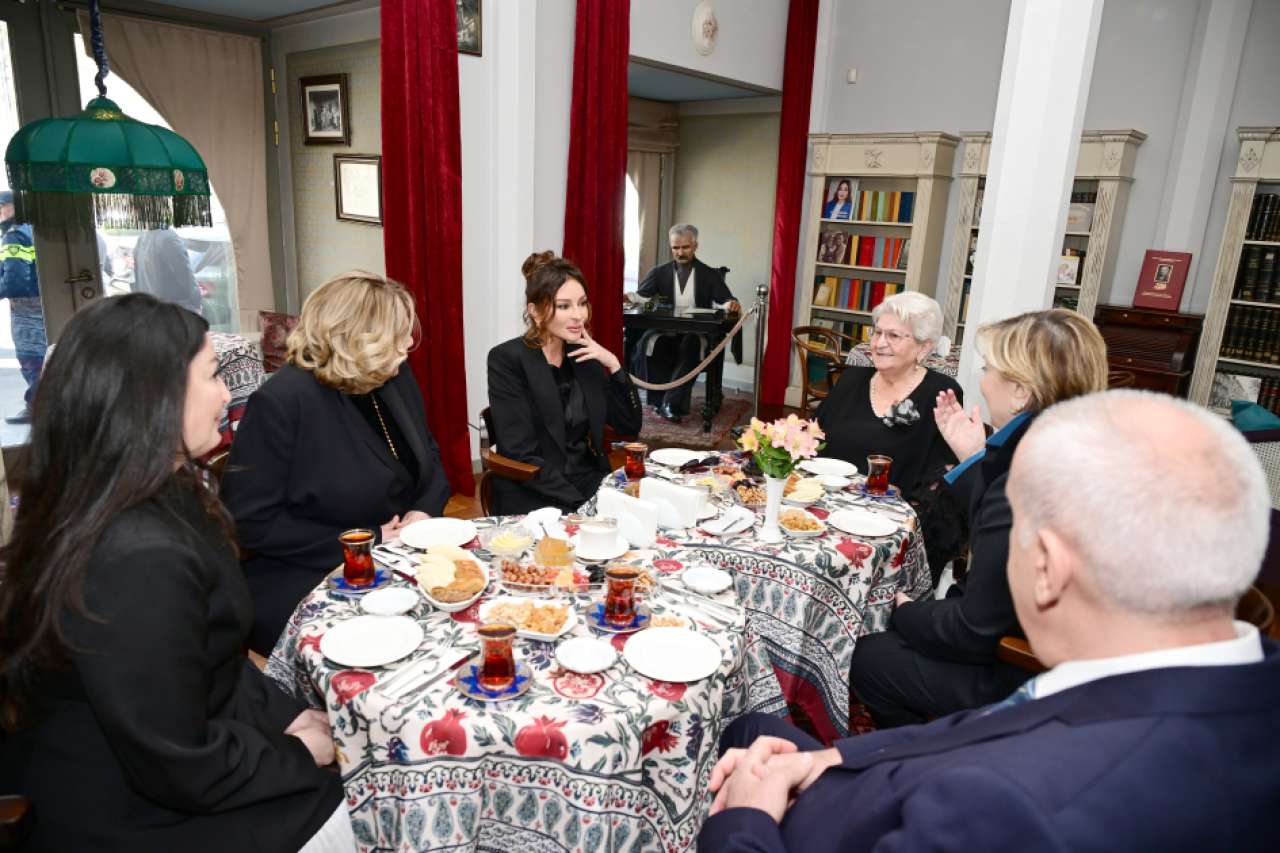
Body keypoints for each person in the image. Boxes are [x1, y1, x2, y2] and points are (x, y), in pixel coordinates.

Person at [700, 390, 1279, 852]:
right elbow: (1001, 719)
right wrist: (835, 757)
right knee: (755, 730)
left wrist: (746, 820)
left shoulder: (1007, 810)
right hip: (896, 773)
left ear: (1048, 566)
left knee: (735, 744)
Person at [0, 294, 350, 852]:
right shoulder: (135, 558)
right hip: (136, 818)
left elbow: (215, 660)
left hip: (181, 766)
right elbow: (175, 761)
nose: (228, 394)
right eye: (212, 375)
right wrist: (295, 752)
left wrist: (290, 717)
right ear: (152, 398)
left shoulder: (137, 493)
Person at [849, 308, 1108, 727]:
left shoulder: (1026, 478)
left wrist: (903, 610)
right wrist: (973, 458)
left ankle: (927, 754)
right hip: (1075, 647)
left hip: (1022, 669)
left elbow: (974, 630)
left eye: (988, 369)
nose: (983, 383)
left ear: (1020, 391)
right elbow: (1001, 538)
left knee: (870, 656)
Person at [222, 271, 450, 654]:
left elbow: (429, 455)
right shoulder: (283, 402)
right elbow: (251, 522)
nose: (410, 343)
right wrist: (365, 541)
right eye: (397, 333)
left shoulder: (393, 375)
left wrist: (423, 512)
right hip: (308, 569)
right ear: (356, 338)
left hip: (397, 556)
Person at [487, 251, 643, 515]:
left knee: (647, 515)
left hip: (586, 479)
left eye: (582, 304)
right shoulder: (507, 359)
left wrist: (614, 364)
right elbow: (519, 453)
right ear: (535, 312)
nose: (578, 315)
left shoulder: (584, 356)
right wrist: (581, 504)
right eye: (564, 306)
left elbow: (629, 426)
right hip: (534, 487)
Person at [815, 292, 960, 502]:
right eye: (877, 332)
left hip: (894, 511)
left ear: (924, 346)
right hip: (829, 499)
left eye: (893, 335)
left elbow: (943, 473)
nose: (879, 343)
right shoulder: (851, 379)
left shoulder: (940, 393)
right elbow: (812, 437)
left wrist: (904, 501)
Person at [628, 224, 740, 422]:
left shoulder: (709, 274)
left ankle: (671, 404)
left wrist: (731, 304)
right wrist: (627, 297)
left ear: (695, 246)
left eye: (685, 247)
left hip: (696, 334)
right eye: (675, 248)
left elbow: (724, 301)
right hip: (666, 332)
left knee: (691, 345)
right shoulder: (658, 272)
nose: (680, 252)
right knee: (656, 344)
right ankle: (659, 401)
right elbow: (641, 296)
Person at [0, 190, 46, 425]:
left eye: (2, 207)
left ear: (14, 207)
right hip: (42, 305)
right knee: (43, 355)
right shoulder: (32, 229)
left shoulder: (14, 235)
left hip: (26, 310)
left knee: (30, 358)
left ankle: (37, 406)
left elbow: (15, 282)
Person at [132, 227, 204, 315]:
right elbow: (185, 274)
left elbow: (138, 280)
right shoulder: (167, 238)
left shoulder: (142, 238)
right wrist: (197, 303)